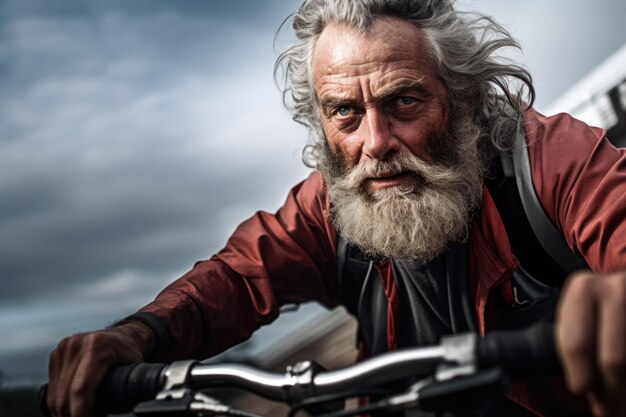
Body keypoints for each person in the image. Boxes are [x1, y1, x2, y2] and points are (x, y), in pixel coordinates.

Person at [47, 1, 626, 416]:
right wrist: (138, 335)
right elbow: (239, 275)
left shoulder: (549, 162)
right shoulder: (333, 201)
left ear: (465, 99)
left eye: (403, 100)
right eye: (345, 111)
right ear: (322, 124)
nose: (375, 142)